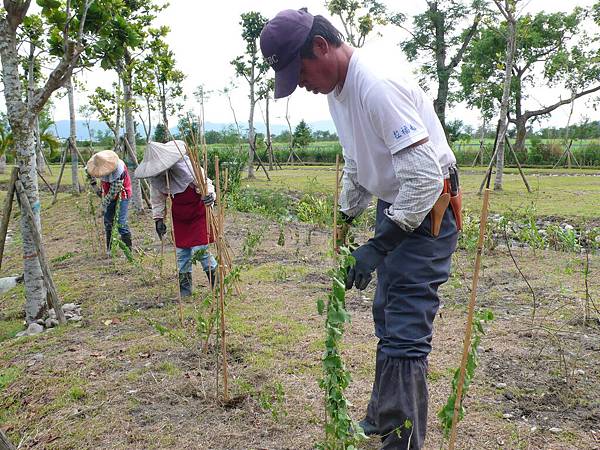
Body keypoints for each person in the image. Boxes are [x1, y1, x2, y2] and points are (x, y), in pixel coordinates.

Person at [261, 9, 462, 450]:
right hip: (398, 202)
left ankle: (402, 440)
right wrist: (346, 217)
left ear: (320, 47)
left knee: (405, 325)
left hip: (428, 207)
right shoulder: (338, 90)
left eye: (301, 73)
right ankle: (382, 415)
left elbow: (425, 180)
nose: (304, 85)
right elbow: (357, 163)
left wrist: (378, 245)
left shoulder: (376, 84)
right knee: (386, 310)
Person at [135, 140, 217, 297]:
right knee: (182, 253)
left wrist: (209, 196)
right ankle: (185, 291)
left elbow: (206, 184)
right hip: (179, 216)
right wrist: (158, 219)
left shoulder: (188, 167)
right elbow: (157, 199)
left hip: (198, 212)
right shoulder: (157, 177)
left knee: (201, 250)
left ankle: (217, 285)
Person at [86, 150, 133, 252]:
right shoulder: (96, 164)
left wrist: (103, 205)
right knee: (108, 223)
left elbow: (113, 192)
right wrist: (94, 185)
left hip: (122, 194)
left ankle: (128, 251)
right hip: (107, 193)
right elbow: (88, 172)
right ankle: (110, 250)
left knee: (121, 223)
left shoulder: (119, 170)